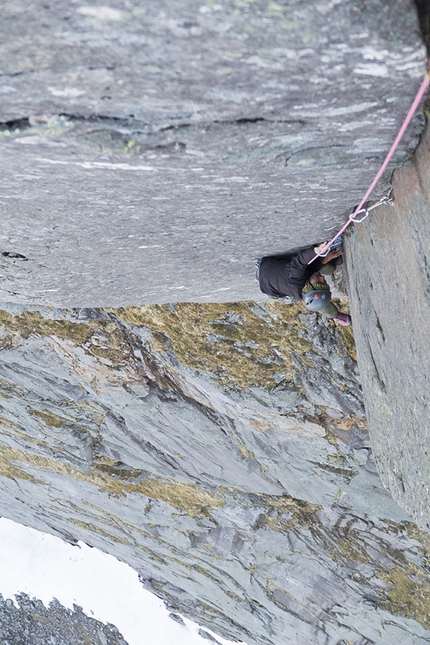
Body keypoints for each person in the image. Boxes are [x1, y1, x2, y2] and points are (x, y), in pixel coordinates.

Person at [257, 242, 352, 326]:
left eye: (319, 282)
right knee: (326, 269)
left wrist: (317, 250)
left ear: (307, 287)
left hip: (268, 283)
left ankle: (335, 316)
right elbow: (311, 271)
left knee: (315, 302)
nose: (322, 278)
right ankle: (332, 265)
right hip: (277, 278)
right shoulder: (307, 285)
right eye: (324, 282)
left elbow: (300, 261)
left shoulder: (293, 278)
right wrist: (325, 259)